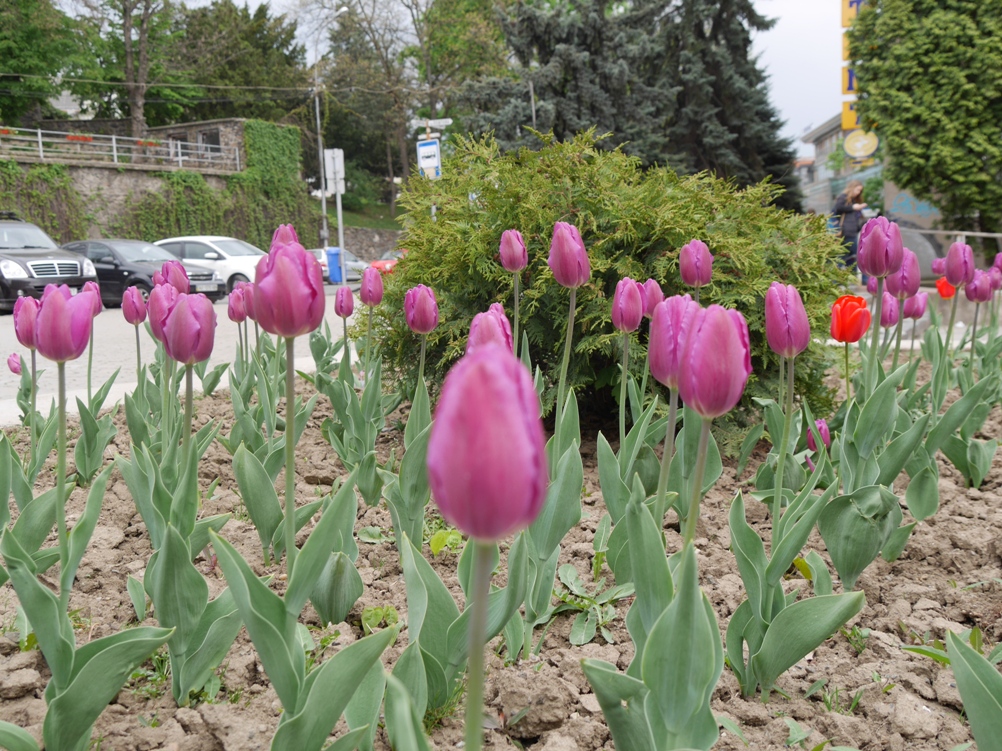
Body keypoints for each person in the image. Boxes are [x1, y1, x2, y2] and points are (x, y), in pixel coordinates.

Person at [832, 180, 867, 273]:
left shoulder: (853, 200)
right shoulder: (843, 198)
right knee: (846, 256)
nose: (858, 192)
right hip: (845, 231)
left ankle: (848, 277)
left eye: (860, 191)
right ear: (852, 188)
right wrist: (853, 208)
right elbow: (837, 208)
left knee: (849, 256)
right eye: (857, 190)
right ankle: (842, 278)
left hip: (852, 231)